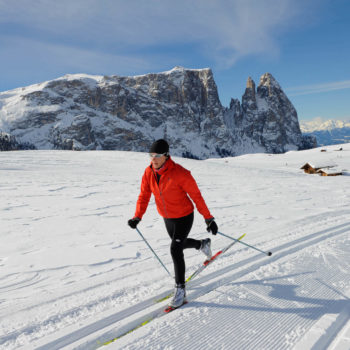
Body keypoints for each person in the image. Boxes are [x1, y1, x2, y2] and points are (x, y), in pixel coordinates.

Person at [128, 139, 218, 308]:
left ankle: (180, 291)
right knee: (179, 243)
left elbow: (196, 197)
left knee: (175, 248)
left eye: (157, 155)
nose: (153, 159)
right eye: (151, 155)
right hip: (167, 217)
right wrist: (137, 217)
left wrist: (208, 218)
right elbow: (144, 195)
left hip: (184, 216)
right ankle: (202, 244)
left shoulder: (180, 173)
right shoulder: (148, 173)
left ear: (166, 156)